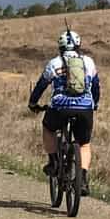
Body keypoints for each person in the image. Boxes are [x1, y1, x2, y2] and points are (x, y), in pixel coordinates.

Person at [27, 29, 100, 192]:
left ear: (60, 47)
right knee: (84, 143)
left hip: (59, 107)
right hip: (84, 107)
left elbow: (41, 85)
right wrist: (94, 104)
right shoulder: (88, 62)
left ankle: (53, 161)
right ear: (79, 45)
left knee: (48, 127)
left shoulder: (54, 63)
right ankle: (82, 179)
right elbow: (96, 86)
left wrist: (33, 103)